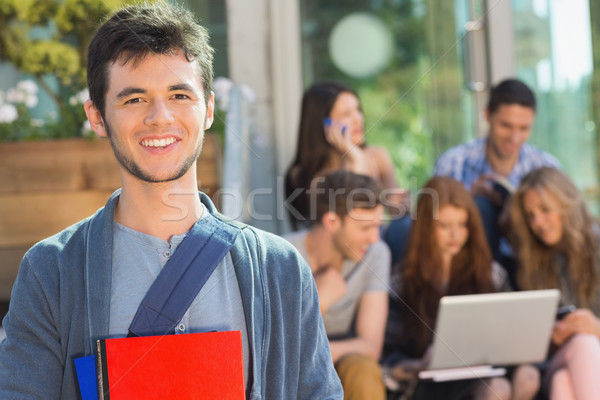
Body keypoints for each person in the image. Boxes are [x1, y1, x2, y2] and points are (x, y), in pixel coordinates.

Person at [0, 3, 342, 399]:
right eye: (134, 99)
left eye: (179, 95)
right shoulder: (53, 272)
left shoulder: (278, 270)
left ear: (209, 109)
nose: (160, 117)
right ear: (96, 117)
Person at [382, 176, 540, 400]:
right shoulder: (401, 282)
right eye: (444, 226)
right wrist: (419, 365)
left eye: (462, 224)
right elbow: (386, 359)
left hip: (487, 371)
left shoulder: (490, 274)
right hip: (432, 383)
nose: (455, 235)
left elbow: (514, 335)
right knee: (498, 389)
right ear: (425, 228)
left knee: (528, 375)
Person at [406, 78, 560, 284]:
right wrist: (468, 199)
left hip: (529, 262)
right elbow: (431, 226)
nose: (514, 138)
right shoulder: (453, 162)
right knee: (480, 207)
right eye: (506, 126)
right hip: (471, 268)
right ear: (487, 115)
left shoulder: (546, 166)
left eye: (524, 128)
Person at [284, 169, 391, 400]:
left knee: (362, 367)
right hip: (294, 373)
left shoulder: (375, 253)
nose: (375, 238)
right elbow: (282, 349)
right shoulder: (284, 256)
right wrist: (319, 301)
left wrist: (320, 353)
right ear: (331, 221)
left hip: (343, 363)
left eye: (377, 226)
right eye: (365, 228)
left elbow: (371, 346)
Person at [509, 167, 600, 400]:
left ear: (566, 205)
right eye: (530, 215)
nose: (538, 222)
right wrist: (550, 338)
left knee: (563, 384)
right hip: (557, 360)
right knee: (582, 344)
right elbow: (524, 344)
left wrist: (596, 328)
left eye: (545, 210)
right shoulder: (530, 262)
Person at [285, 81, 406, 229]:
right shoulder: (305, 174)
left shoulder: (377, 156)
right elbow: (355, 222)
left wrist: (402, 204)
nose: (358, 119)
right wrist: (356, 159)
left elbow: (398, 215)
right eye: (346, 114)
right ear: (324, 125)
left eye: (358, 110)